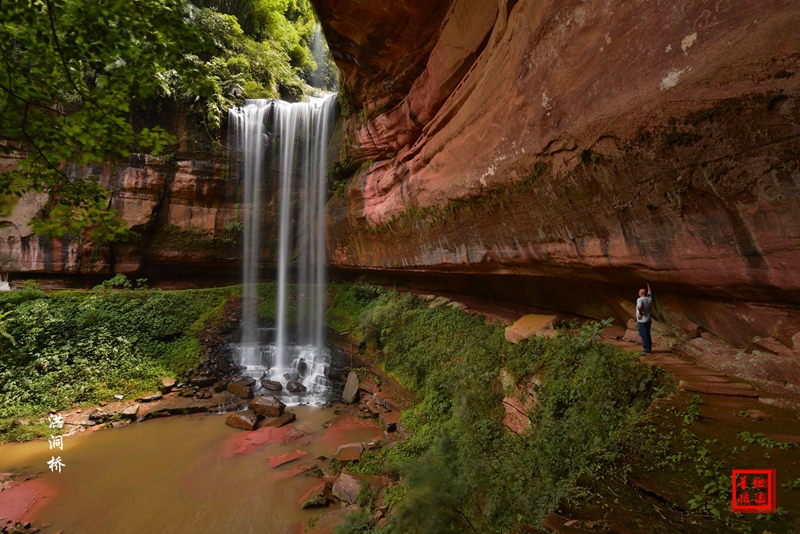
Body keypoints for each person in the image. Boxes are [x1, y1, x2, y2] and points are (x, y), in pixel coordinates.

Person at [636, 282, 653, 355]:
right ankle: (648, 347)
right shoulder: (649, 298)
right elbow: (649, 291)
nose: (638, 293)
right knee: (646, 334)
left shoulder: (640, 300)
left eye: (639, 292)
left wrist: (640, 313)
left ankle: (647, 350)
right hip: (648, 320)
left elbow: (639, 307)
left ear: (641, 293)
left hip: (642, 320)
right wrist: (648, 283)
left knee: (644, 335)